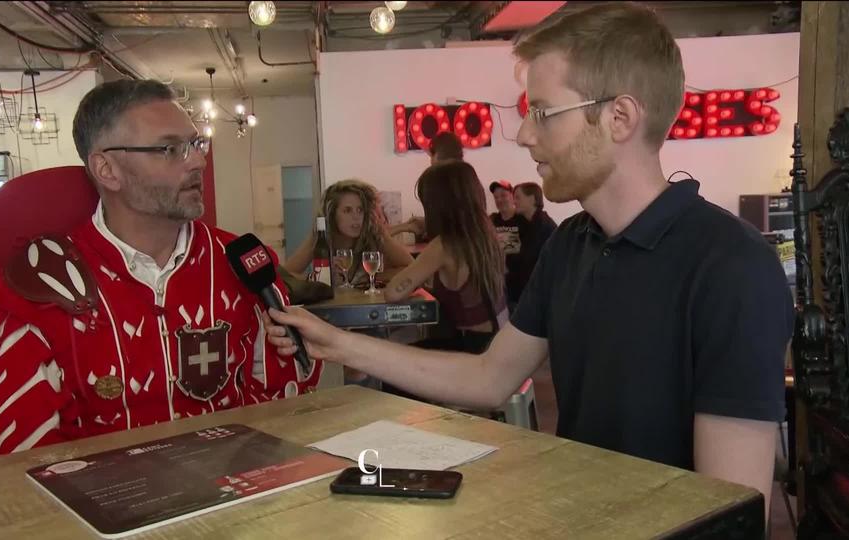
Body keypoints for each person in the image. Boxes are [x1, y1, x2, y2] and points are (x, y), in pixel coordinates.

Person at [264, 1, 792, 518]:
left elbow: (732, 517)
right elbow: (490, 377)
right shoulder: (570, 245)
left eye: (542, 112)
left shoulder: (731, 267)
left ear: (620, 116)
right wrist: (339, 344)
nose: (523, 134)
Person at [0, 80, 321, 461]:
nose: (198, 161)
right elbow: (11, 470)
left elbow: (285, 412)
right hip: (94, 514)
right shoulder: (36, 290)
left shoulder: (241, 264)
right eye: (169, 149)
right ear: (107, 169)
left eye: (196, 144)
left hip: (236, 503)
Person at [382, 161, 508, 353]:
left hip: (468, 350)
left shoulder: (444, 245)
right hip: (497, 344)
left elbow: (392, 293)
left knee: (386, 362)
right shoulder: (485, 233)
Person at [282, 179, 413, 286]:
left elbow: (412, 268)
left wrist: (373, 277)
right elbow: (283, 276)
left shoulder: (374, 233)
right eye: (347, 210)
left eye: (360, 210)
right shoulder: (321, 237)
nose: (356, 217)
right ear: (332, 214)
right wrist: (319, 278)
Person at [513, 182, 557, 309]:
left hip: (540, 299)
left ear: (532, 198)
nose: (514, 202)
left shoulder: (544, 226)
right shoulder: (525, 224)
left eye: (517, 197)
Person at [489, 179, 529, 308]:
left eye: (503, 195)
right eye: (496, 197)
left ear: (513, 197)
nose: (499, 200)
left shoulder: (523, 220)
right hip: (498, 286)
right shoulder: (492, 220)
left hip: (520, 286)